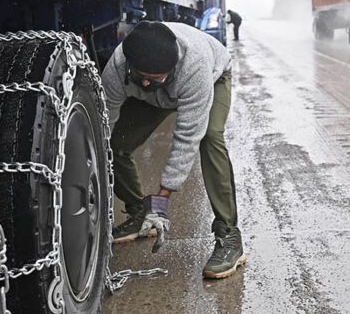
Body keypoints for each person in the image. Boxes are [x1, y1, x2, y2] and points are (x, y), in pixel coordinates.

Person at [102, 21, 245, 279]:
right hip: (163, 94)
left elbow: (186, 140)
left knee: (210, 138)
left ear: (171, 70)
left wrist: (162, 202)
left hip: (215, 77)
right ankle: (139, 213)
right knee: (115, 142)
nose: (145, 84)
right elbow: (104, 123)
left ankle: (229, 235)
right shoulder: (117, 66)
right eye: (140, 78)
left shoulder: (195, 67)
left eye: (154, 79)